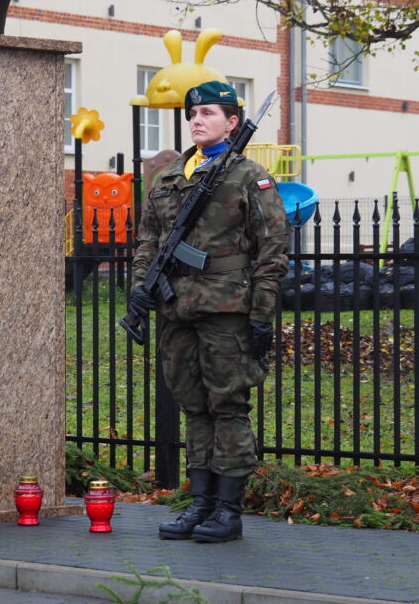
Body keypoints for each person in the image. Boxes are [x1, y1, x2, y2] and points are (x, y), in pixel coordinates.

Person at [128, 80, 289, 542]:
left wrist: (260, 314)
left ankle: (228, 510)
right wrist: (141, 288)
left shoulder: (247, 176)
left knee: (228, 406)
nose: (197, 120)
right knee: (194, 408)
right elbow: (148, 242)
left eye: (209, 114)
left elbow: (272, 250)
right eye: (193, 115)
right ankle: (199, 504)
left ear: (232, 122)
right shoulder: (168, 179)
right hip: (176, 308)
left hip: (226, 309)